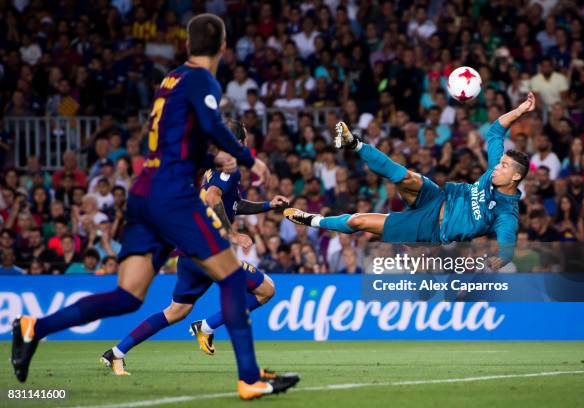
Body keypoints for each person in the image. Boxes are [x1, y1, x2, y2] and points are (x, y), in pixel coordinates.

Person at [11, 14, 298, 400]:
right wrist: (248, 159)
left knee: (128, 295)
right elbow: (214, 130)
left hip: (144, 192)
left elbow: (181, 141)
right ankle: (249, 378)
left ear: (186, 46)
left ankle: (34, 327)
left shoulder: (170, 80)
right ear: (223, 47)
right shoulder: (201, 79)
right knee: (232, 279)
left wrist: (214, 162)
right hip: (173, 196)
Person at [102, 120, 289, 370]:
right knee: (267, 289)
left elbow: (233, 203)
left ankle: (117, 351)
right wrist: (232, 235)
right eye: (244, 139)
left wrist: (268, 206)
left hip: (190, 253)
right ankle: (210, 330)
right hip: (209, 252)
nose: (247, 143)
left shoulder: (218, 167)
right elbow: (213, 197)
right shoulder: (229, 168)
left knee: (176, 311)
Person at [284, 93, 538, 269]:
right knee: (406, 176)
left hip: (430, 227)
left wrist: (501, 259)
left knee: (358, 220)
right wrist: (520, 110)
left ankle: (312, 220)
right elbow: (495, 131)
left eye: (504, 166)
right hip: (437, 197)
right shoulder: (495, 171)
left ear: (516, 176)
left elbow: (507, 245)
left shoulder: (507, 212)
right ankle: (354, 142)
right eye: (500, 162)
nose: (497, 167)